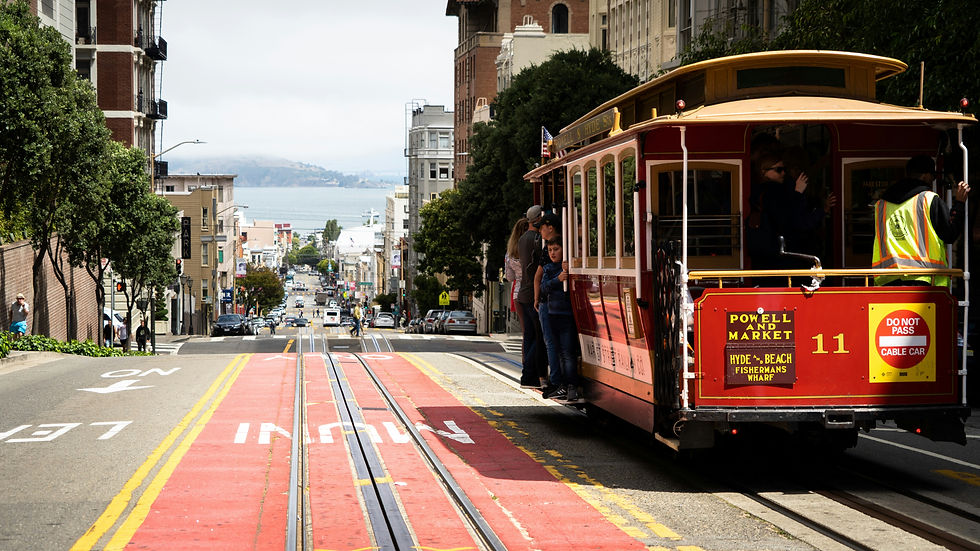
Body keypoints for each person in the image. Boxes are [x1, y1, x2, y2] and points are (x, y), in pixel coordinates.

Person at [872, 155, 970, 286]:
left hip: (888, 279)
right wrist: (959, 203)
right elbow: (950, 234)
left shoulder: (881, 204)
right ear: (925, 176)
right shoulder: (928, 200)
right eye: (933, 176)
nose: (933, 180)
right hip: (925, 279)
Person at [747, 152, 835, 276]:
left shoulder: (757, 191)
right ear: (763, 171)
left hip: (766, 252)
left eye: (785, 169)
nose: (783, 173)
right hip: (781, 253)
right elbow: (791, 219)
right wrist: (798, 193)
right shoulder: (774, 191)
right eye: (779, 170)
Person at [539, 235, 580, 402]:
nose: (553, 253)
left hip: (566, 315)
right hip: (552, 315)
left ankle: (571, 387)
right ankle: (562, 385)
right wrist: (558, 279)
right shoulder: (549, 269)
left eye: (556, 249)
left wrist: (566, 272)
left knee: (567, 353)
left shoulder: (569, 267)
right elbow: (543, 288)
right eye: (550, 250)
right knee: (560, 353)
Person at [532, 213, 562, 396]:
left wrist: (536, 298)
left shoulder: (548, 249)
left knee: (550, 342)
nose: (540, 231)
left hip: (547, 301)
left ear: (550, 227)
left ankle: (555, 381)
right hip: (559, 302)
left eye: (541, 227)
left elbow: (538, 277)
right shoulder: (561, 244)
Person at [516, 205, 547, 388]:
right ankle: (529, 374)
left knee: (529, 336)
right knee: (539, 336)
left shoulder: (521, 239)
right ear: (538, 220)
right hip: (532, 293)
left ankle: (527, 376)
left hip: (523, 293)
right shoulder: (536, 239)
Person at [504, 217, 529, 329]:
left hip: (517, 293)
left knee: (525, 331)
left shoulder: (510, 253)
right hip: (532, 291)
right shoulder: (531, 248)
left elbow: (509, 277)